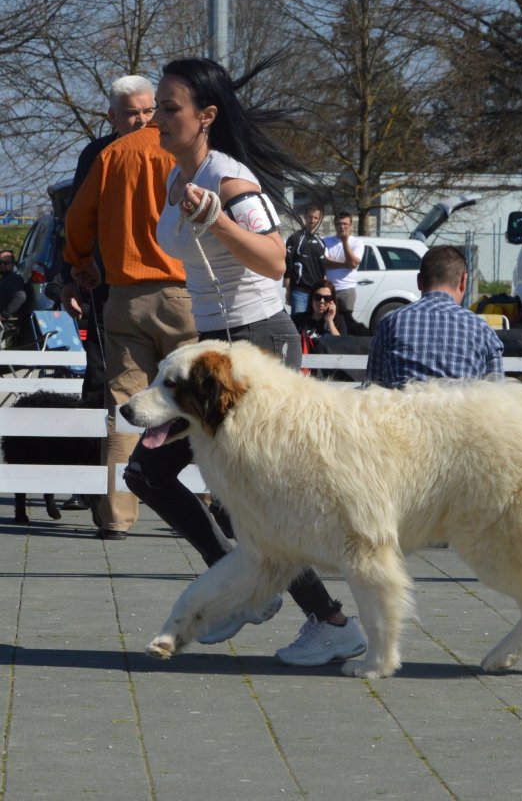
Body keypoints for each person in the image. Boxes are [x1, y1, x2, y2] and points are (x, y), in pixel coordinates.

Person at [123, 56, 366, 664]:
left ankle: (322, 618)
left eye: (169, 109)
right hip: (220, 345)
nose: (157, 119)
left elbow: (275, 261)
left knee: (241, 499)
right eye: (156, 108)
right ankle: (260, 595)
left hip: (257, 345)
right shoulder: (182, 176)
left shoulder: (232, 182)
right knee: (159, 477)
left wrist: (221, 224)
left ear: (205, 117)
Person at [64, 99, 198, 540]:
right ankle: (204, 505)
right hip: (185, 291)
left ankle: (116, 516)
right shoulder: (185, 147)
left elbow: (77, 219)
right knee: (195, 398)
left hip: (124, 295)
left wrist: (79, 263)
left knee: (122, 403)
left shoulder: (111, 153)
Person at [60, 75, 157, 511]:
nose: (141, 119)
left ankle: (188, 490)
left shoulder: (174, 149)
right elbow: (76, 219)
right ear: (112, 117)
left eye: (148, 110)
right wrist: (72, 274)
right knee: (101, 382)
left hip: (171, 288)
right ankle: (92, 484)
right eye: (132, 112)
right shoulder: (97, 154)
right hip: (105, 287)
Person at [364, 244, 504, 389]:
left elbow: (371, 389)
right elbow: (496, 400)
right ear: (463, 281)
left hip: (404, 410)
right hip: (459, 411)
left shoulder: (389, 323)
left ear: (419, 281)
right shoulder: (483, 331)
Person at [284, 204, 326, 315]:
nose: (312, 220)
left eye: (316, 218)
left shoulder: (322, 242)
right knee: (299, 326)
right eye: (310, 217)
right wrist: (288, 291)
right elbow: (288, 265)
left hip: (317, 293)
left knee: (314, 328)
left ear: (319, 219)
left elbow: (324, 270)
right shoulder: (295, 238)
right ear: (305, 217)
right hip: (299, 292)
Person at [323, 211, 363, 327]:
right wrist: (347, 264)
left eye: (345, 224)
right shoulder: (326, 241)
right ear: (335, 225)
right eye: (339, 224)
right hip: (329, 289)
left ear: (351, 225)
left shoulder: (357, 243)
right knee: (328, 319)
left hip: (347, 289)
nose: (342, 227)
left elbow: (354, 262)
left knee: (346, 321)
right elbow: (326, 262)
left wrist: (345, 242)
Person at [292, 279, 346, 344]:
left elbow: (342, 345)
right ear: (311, 299)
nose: (322, 301)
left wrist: (330, 322)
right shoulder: (298, 319)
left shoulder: (338, 320)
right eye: (317, 297)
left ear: (332, 301)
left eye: (327, 298)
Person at [0, 250, 26, 330]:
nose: (2, 265)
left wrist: (4, 314)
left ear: (13, 264)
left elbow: (21, 296)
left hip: (4, 323)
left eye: (6, 263)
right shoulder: (5, 279)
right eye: (0, 262)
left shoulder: (13, 278)